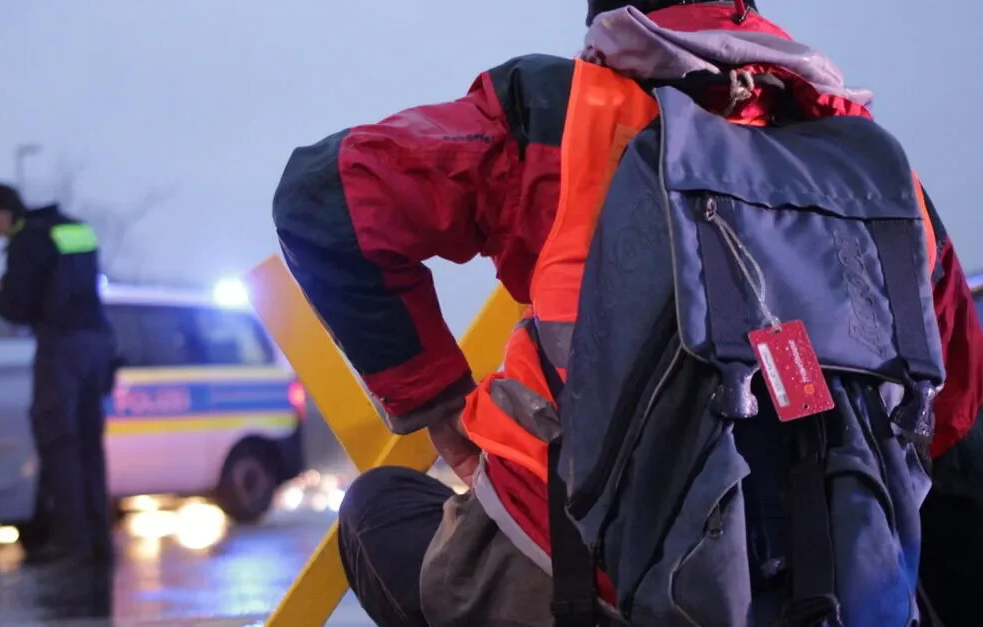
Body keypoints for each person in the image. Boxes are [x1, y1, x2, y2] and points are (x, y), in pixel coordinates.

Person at [272, 1, 983, 625]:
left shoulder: (558, 110)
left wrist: (444, 404)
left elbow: (323, 197)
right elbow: (950, 410)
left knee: (376, 509)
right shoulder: (881, 170)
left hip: (576, 585)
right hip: (827, 589)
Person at [0, 182, 116, 566]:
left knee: (57, 439)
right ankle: (99, 540)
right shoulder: (76, 228)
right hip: (98, 341)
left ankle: (72, 542)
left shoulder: (27, 241)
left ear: (1, 213)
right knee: (90, 444)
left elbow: (19, 305)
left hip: (62, 346)